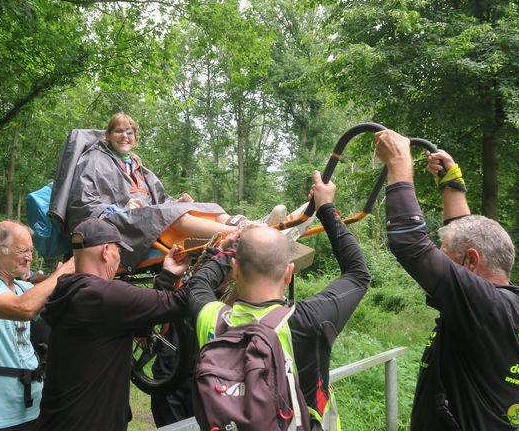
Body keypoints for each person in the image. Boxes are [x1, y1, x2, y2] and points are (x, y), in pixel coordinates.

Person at [374, 129, 519, 430]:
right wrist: (452, 184)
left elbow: (410, 244)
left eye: (444, 255)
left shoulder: (487, 307)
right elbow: (464, 239)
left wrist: (399, 162)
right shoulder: (512, 307)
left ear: (471, 262)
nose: (439, 263)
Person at [187, 170, 371, 429]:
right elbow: (359, 274)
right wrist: (326, 206)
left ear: (236, 269)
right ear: (288, 273)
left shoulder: (210, 318)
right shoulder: (309, 321)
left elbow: (198, 283)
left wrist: (229, 247)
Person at [61, 112, 284, 269]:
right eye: (118, 131)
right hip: (118, 225)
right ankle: (248, 235)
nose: (124, 136)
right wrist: (119, 207)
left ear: (136, 138)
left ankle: (252, 223)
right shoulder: (94, 160)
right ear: (108, 136)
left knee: (198, 207)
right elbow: (83, 204)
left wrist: (177, 201)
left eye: (129, 132)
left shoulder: (138, 167)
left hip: (146, 219)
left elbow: (160, 199)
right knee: (168, 215)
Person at [36, 218, 190, 431]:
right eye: (119, 252)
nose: (119, 260)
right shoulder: (102, 295)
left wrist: (167, 275)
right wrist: (218, 256)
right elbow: (178, 302)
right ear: (106, 251)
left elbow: (144, 319)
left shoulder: (72, 292)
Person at [0, 221, 75, 431]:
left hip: (36, 406)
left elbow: (64, 311)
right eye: (22, 250)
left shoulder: (24, 287)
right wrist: (63, 272)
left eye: (30, 250)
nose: (29, 256)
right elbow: (24, 308)